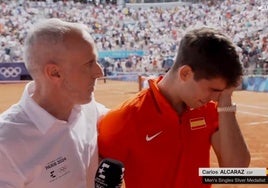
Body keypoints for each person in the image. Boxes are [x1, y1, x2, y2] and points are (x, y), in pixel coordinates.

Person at [98, 27, 251, 188]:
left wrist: (226, 100)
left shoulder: (209, 109)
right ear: (185, 73)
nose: (215, 98)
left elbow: (235, 171)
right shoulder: (125, 117)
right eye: (214, 90)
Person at [0, 18, 108, 188]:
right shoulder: (6, 145)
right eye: (88, 64)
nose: (99, 72)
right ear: (55, 73)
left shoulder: (89, 109)